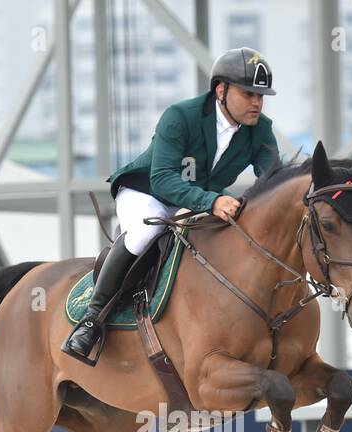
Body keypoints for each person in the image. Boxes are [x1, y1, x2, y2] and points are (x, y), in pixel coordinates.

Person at [60, 47, 280, 364]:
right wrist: (213, 200)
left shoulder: (261, 129)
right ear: (221, 90)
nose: (257, 103)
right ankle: (92, 320)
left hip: (195, 202)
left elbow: (273, 177)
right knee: (142, 235)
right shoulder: (180, 116)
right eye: (249, 94)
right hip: (147, 191)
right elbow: (163, 178)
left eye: (261, 96)